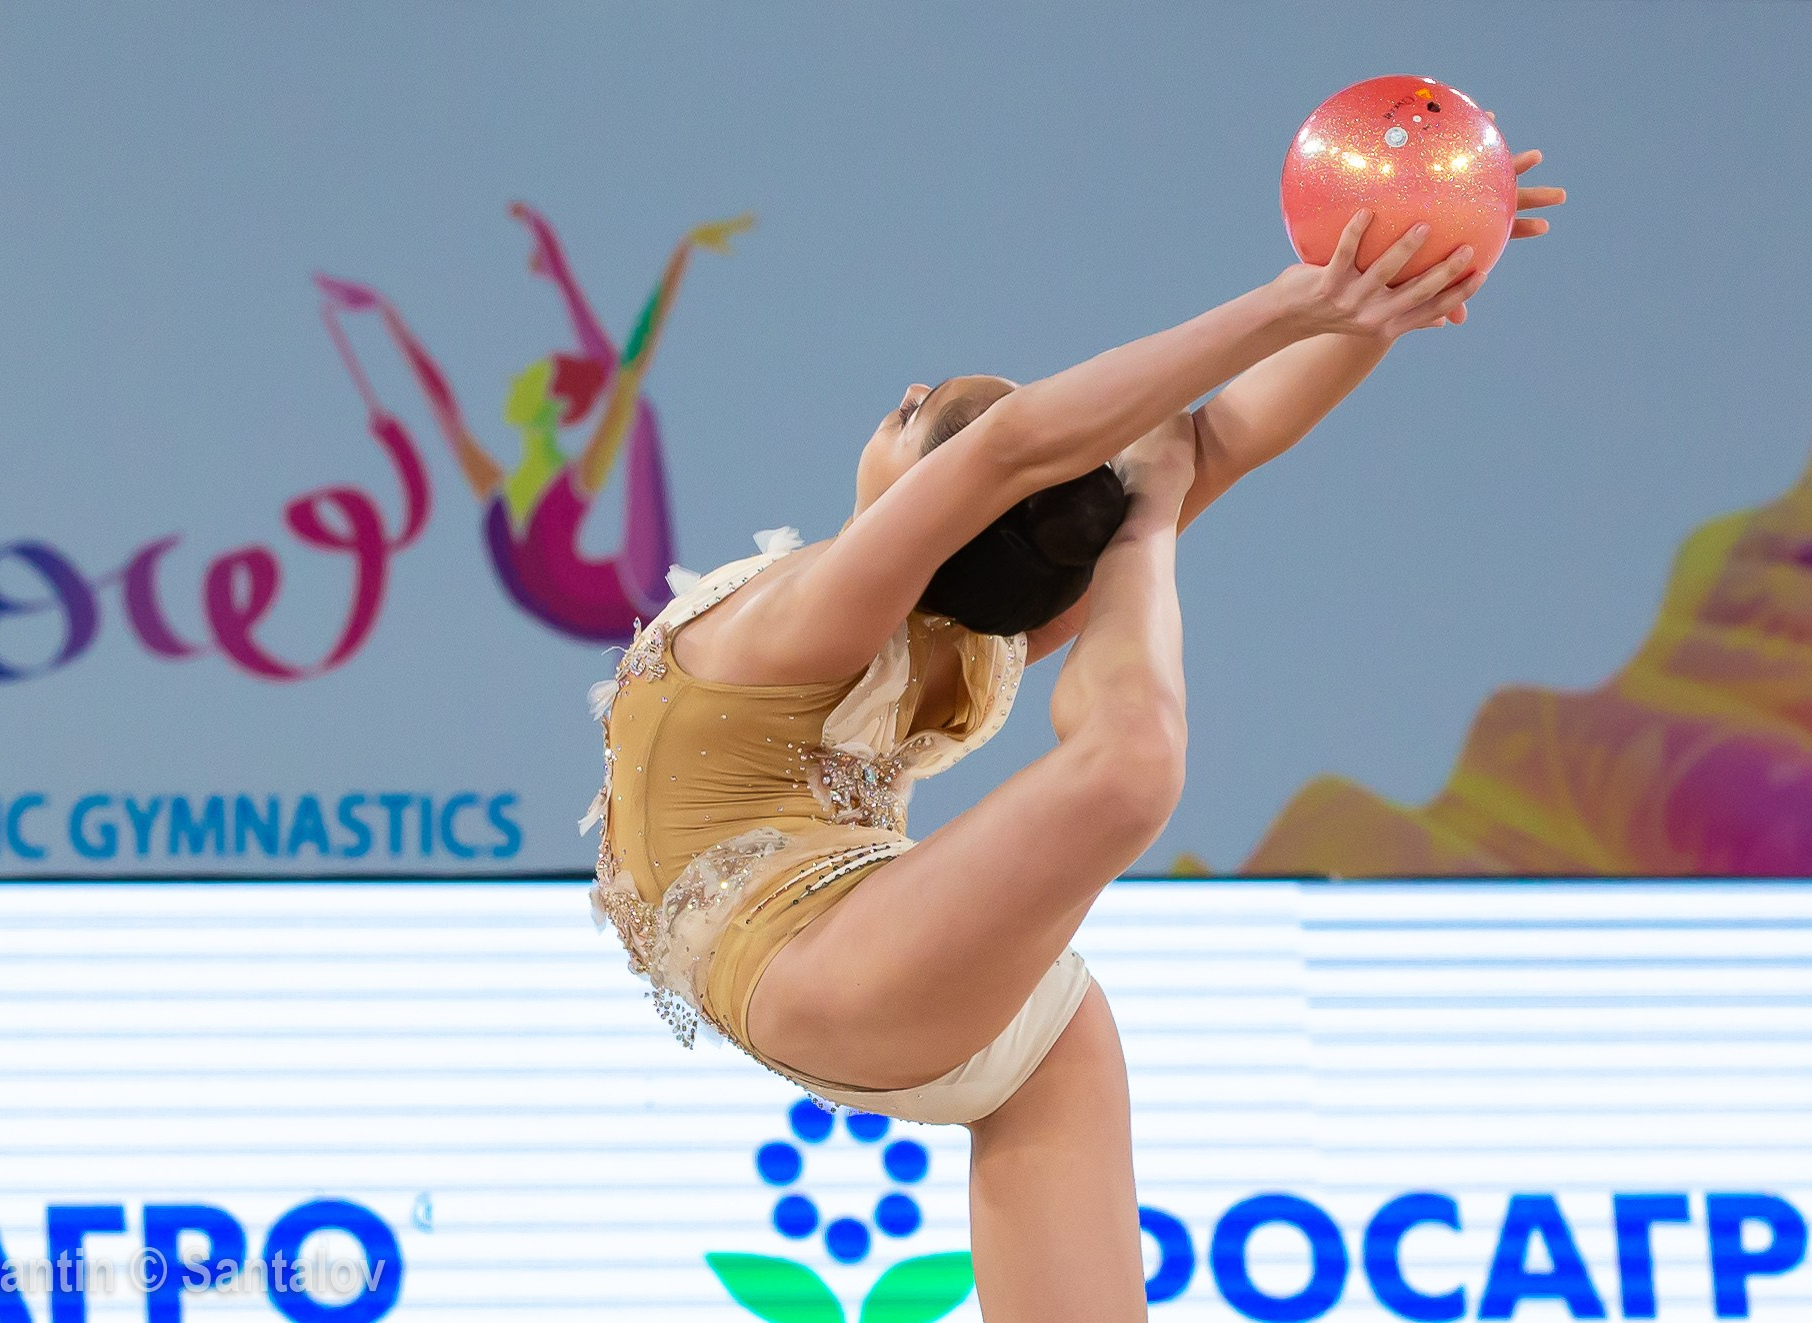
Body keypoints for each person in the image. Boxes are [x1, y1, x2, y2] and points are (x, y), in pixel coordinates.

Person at [588, 156, 1560, 1320]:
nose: (904, 395)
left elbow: (1167, 443)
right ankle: (1140, 533)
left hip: (831, 957)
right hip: (831, 963)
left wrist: (1338, 308)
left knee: (1124, 790)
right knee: (1120, 786)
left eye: (916, 419)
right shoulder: (888, 629)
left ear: (937, 497)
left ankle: (1139, 536)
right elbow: (1169, 443)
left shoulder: (860, 619)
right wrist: (1359, 292)